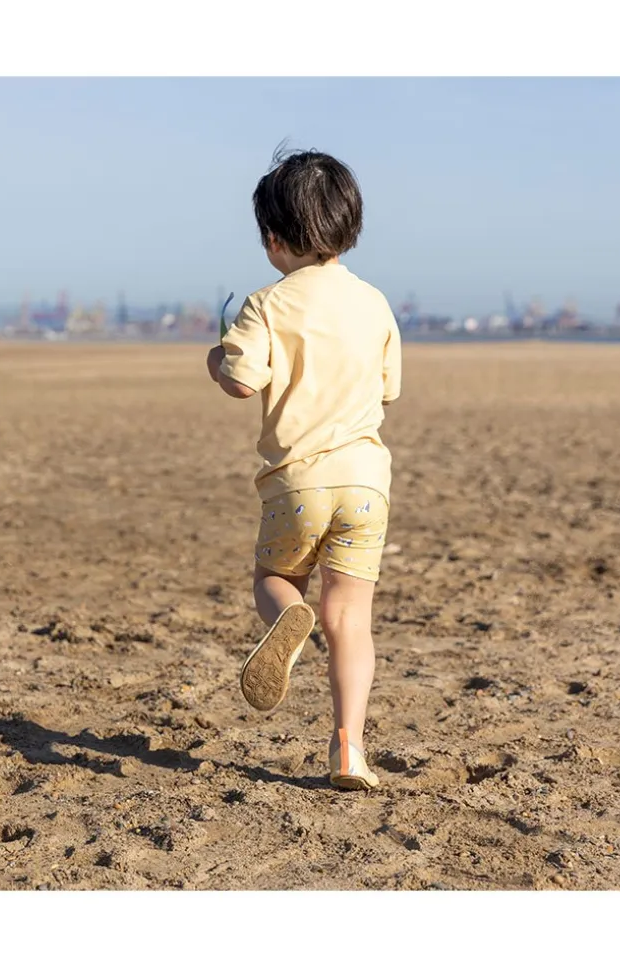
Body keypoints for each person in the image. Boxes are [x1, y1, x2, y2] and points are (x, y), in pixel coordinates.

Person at [206, 147, 402, 791]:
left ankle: (287, 617)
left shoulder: (267, 304)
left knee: (272, 577)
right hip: (367, 482)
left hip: (297, 482)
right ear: (351, 225)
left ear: (272, 238)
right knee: (352, 618)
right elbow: (389, 389)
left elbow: (241, 380)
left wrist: (217, 356)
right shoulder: (374, 303)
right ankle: (349, 751)